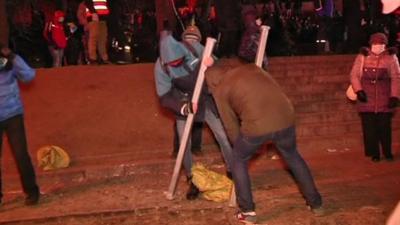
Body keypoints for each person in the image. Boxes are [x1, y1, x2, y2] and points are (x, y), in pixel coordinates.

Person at [205, 64, 323, 224]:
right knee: (293, 156)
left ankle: (247, 211)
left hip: (257, 125)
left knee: (238, 160)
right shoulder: (254, 69)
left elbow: (230, 125)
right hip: (286, 118)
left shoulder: (220, 89)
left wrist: (241, 146)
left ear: (212, 83)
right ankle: (316, 204)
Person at [154, 28, 233, 200]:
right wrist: (182, 107)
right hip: (182, 101)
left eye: (179, 62)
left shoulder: (197, 49)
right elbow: (164, 96)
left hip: (203, 98)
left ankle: (233, 171)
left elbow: (221, 71)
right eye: (172, 64)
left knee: (222, 136)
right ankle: (192, 179)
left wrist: (212, 63)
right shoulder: (160, 67)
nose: (176, 67)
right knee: (184, 143)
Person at [0, 43, 40, 206]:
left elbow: (29, 76)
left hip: (13, 114)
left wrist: (13, 57)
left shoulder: (7, 62)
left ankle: (32, 192)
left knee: (21, 155)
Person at [350, 32, 400, 162]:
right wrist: (358, 90)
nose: (378, 46)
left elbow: (396, 77)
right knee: (369, 128)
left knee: (384, 127)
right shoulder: (363, 56)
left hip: (384, 96)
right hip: (366, 97)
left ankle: (387, 151)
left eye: (381, 43)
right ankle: (374, 153)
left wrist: (394, 96)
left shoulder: (390, 57)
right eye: (375, 43)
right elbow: (354, 75)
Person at [172, 24, 205, 157]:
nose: (191, 42)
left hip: (198, 90)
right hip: (181, 91)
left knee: (197, 119)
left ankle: (196, 147)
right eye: (188, 38)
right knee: (180, 119)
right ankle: (178, 148)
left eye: (194, 39)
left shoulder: (203, 51)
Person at [77, 0, 110, 64]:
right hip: (93, 20)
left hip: (102, 20)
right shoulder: (86, 3)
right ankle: (93, 58)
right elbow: (80, 14)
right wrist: (85, 22)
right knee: (93, 39)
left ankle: (103, 58)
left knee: (102, 40)